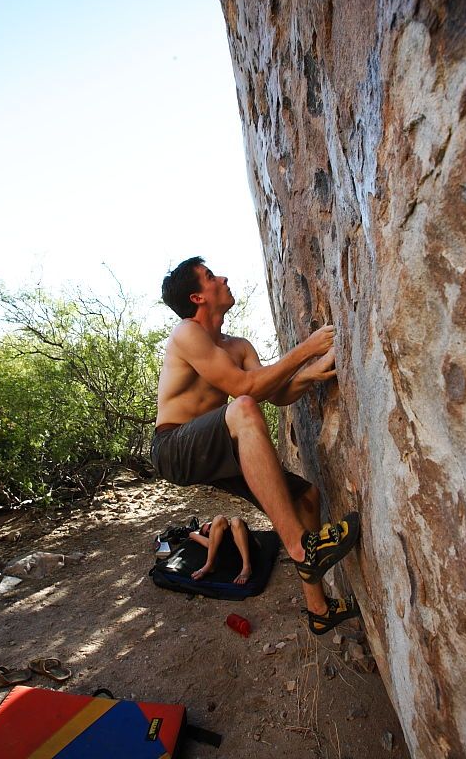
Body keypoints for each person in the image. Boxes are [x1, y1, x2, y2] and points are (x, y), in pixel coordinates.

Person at [151, 256, 360, 635]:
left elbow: (275, 393)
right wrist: (306, 350)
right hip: (173, 447)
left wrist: (310, 374)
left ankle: (318, 610)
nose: (224, 277)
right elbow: (245, 390)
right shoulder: (186, 333)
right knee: (243, 407)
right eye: (211, 275)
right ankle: (302, 547)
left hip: (218, 446)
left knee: (307, 498)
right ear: (197, 297)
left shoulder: (239, 346)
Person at [188, 514, 253, 585]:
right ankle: (209, 564)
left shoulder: (233, 529)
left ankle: (246, 567)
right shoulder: (213, 544)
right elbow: (192, 534)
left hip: (247, 546)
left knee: (232, 520)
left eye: (211, 525)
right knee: (233, 520)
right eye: (208, 531)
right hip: (235, 553)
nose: (210, 528)